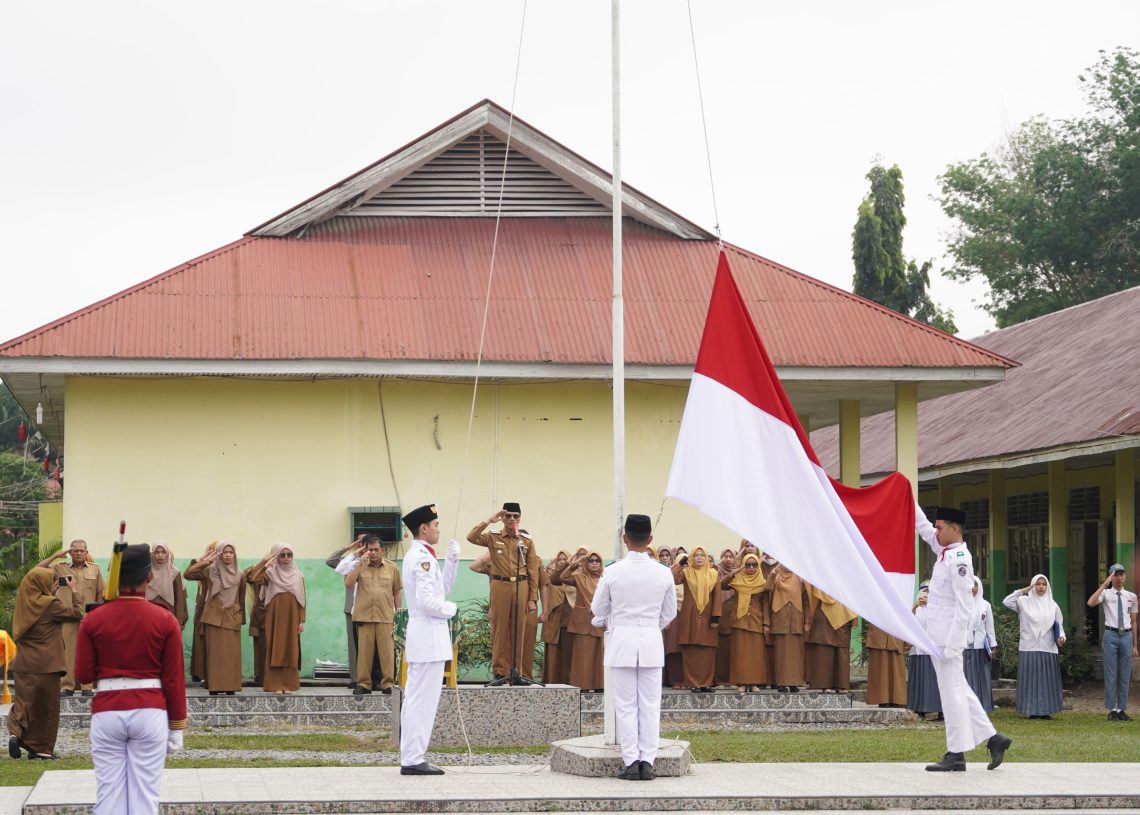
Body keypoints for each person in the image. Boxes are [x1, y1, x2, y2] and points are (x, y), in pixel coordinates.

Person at [75, 544, 187, 815]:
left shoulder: (92, 620)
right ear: (148, 577)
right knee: (144, 797)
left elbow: (84, 675)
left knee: (109, 795)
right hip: (150, 712)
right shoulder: (165, 620)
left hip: (108, 711)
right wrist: (177, 726)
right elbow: (173, 679)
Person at [916, 504, 1010, 771]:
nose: (935, 531)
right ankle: (994, 738)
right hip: (939, 636)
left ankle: (956, 754)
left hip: (948, 640)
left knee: (952, 695)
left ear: (954, 529)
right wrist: (906, 497)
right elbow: (923, 529)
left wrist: (954, 645)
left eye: (940, 527)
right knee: (959, 689)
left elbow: (964, 605)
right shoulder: (945, 552)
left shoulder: (959, 559)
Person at [589, 514, 677, 781]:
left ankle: (631, 762)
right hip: (650, 640)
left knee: (626, 706)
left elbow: (597, 609)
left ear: (624, 539)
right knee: (650, 705)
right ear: (650, 540)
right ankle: (647, 761)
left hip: (622, 642)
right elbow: (669, 613)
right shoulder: (663, 573)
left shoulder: (612, 571)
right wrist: (650, 627)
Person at [399, 503, 461, 775]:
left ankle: (413, 756)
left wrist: (452, 561)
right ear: (423, 528)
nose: (438, 529)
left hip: (427, 636)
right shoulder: (421, 558)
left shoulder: (425, 555)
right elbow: (428, 601)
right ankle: (412, 758)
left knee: (421, 700)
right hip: (426, 635)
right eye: (435, 525)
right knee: (420, 701)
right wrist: (451, 609)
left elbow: (442, 589)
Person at [7, 567, 82, 760]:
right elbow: (76, 613)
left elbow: (40, 608)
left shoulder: (23, 604)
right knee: (47, 707)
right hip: (47, 665)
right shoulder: (51, 605)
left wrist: (51, 593)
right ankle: (41, 749)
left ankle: (15, 733)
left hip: (23, 663)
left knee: (24, 703)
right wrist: (73, 591)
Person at [467, 503, 540, 683]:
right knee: (500, 630)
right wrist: (489, 520)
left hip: (521, 586)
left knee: (519, 630)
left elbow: (533, 571)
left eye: (515, 516)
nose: (512, 519)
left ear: (520, 518)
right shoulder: (493, 537)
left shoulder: (526, 540)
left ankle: (516, 673)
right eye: (508, 516)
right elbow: (471, 537)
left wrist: (532, 599)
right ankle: (499, 672)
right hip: (500, 585)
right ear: (503, 518)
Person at [38, 539, 104, 696]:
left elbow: (100, 592)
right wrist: (56, 556)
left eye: (82, 550)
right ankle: (67, 686)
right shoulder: (60, 568)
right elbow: (38, 570)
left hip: (89, 618)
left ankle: (87, 687)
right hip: (68, 616)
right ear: (70, 552)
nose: (79, 553)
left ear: (86, 552)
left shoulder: (95, 570)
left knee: (88, 652)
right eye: (75, 550)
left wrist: (99, 614)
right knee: (68, 653)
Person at [338, 536, 403, 695]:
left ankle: (387, 684)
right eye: (369, 550)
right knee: (364, 653)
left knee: (387, 652)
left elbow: (396, 591)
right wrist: (359, 564)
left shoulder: (392, 568)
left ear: (382, 550)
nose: (372, 553)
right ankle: (364, 684)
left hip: (385, 616)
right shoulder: (359, 565)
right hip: (364, 616)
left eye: (375, 550)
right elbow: (348, 584)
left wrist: (398, 613)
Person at [183, 542, 246, 695]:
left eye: (231, 552)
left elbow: (241, 598)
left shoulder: (240, 574)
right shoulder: (210, 571)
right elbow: (188, 574)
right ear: (219, 554)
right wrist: (204, 560)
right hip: (213, 618)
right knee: (215, 655)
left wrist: (241, 618)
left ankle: (231, 686)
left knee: (231, 655)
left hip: (232, 617)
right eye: (225, 552)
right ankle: (215, 686)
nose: (228, 555)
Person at [1003, 574, 1065, 719]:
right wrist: (1023, 590)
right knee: (1031, 681)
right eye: (1037, 584)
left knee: (1046, 681)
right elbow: (1006, 601)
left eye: (1044, 584)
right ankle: (1031, 710)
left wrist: (1061, 637)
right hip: (1029, 646)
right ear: (1033, 585)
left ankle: (1046, 711)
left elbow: (1059, 626)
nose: (1041, 587)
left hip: (1048, 647)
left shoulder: (1053, 605)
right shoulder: (1024, 601)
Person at [247, 543, 306, 694]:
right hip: (274, 616)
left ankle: (289, 685)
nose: (286, 558)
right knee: (274, 647)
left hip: (292, 616)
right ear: (277, 556)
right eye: (282, 555)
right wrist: (264, 561)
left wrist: (301, 621)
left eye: (289, 555)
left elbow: (302, 600)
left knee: (290, 648)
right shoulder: (270, 573)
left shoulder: (298, 575)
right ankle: (275, 685)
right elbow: (253, 577)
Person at [1086, 563, 1138, 721]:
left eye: (1122, 574)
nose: (1119, 577)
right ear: (1111, 576)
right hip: (1111, 635)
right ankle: (1112, 709)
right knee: (1111, 673)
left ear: (1125, 576)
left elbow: (1134, 621)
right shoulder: (1106, 594)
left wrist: (1135, 645)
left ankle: (1122, 709)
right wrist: (1104, 584)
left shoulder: (1131, 596)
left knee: (1124, 674)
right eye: (1116, 574)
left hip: (1127, 636)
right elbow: (1091, 602)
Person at [552, 550, 606, 691]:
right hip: (583, 621)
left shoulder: (605, 578)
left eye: (597, 561)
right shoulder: (580, 577)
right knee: (582, 655)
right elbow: (561, 578)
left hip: (600, 620)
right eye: (591, 561)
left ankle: (599, 685)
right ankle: (583, 685)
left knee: (599, 654)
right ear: (586, 563)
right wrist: (572, 564)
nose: (594, 563)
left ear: (601, 563)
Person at [670, 546, 721, 692]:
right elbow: (672, 578)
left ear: (706, 558)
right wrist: (682, 562)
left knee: (707, 651)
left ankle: (706, 683)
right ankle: (693, 684)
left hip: (708, 617)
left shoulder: (713, 574)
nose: (699, 558)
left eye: (702, 555)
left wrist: (716, 616)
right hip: (690, 616)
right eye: (696, 555)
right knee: (691, 650)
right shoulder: (686, 573)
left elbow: (717, 596)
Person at [327, 534, 372, 689]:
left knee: (370, 644)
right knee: (354, 645)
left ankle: (371, 677)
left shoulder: (372, 561)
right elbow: (331, 561)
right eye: (361, 542)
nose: (363, 545)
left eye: (365, 542)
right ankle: (355, 678)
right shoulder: (349, 562)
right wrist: (349, 547)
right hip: (351, 608)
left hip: (369, 608)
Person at [722, 552, 768, 691]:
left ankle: (754, 683)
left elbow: (766, 603)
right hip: (739, 621)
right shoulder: (738, 580)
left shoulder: (762, 582)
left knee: (755, 655)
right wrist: (734, 572)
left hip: (755, 621)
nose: (752, 568)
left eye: (754, 565)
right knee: (740, 654)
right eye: (748, 565)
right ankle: (741, 683)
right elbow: (722, 585)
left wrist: (766, 623)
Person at [804, 585, 856, 693]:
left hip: (843, 612)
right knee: (823, 650)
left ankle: (841, 685)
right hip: (824, 613)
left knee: (841, 650)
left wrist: (854, 620)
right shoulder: (822, 577)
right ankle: (824, 685)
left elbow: (853, 594)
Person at [765, 563, 808, 692]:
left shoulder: (800, 579)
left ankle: (794, 683)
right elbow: (767, 588)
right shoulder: (776, 578)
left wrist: (807, 621)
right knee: (781, 654)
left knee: (796, 653)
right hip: (780, 620)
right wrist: (773, 573)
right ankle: (781, 683)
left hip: (796, 620)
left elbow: (806, 601)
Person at [907, 582, 942, 719]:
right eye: (923, 591)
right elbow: (908, 622)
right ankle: (920, 708)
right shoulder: (917, 609)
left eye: (928, 592)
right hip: (918, 650)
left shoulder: (938, 608)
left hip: (933, 650)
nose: (925, 595)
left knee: (936, 681)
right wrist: (915, 606)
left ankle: (940, 710)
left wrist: (932, 605)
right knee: (919, 681)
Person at [185, 541, 217, 685]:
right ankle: (200, 672)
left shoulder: (228, 569)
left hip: (218, 611)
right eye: (213, 551)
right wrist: (201, 560)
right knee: (201, 639)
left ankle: (213, 674)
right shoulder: (205, 569)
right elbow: (189, 574)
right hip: (203, 608)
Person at [964, 577, 997, 713]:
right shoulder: (960, 604)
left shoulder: (985, 605)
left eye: (975, 585)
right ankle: (965, 708)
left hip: (980, 647)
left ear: (979, 587)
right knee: (966, 677)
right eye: (970, 585)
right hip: (964, 647)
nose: (972, 588)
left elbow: (989, 627)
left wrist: (993, 645)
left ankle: (982, 707)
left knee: (981, 677)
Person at [539, 551, 570, 684]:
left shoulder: (572, 578)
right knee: (553, 653)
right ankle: (551, 681)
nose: (562, 561)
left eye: (565, 559)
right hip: (553, 621)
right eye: (559, 559)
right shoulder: (549, 579)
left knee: (566, 653)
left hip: (567, 621)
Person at [657, 548, 684, 688]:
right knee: (663, 648)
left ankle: (676, 680)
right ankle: (663, 680)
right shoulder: (660, 574)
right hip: (662, 616)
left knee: (675, 648)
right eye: (662, 555)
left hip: (679, 615)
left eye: (668, 555)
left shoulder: (684, 576)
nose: (665, 557)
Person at [864, 621, 907, 708]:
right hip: (879, 629)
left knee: (895, 667)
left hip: (895, 631)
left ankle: (896, 699)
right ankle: (882, 699)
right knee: (880, 667)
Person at [145, 543, 188, 628]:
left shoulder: (175, 572)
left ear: (167, 553)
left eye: (163, 552)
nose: (160, 555)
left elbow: (179, 598)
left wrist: (179, 621)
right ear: (152, 554)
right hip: (149, 616)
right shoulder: (146, 572)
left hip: (168, 615)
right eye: (157, 552)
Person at [714, 548, 737, 687]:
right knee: (721, 650)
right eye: (725, 556)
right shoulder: (716, 572)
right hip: (720, 615)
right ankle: (720, 679)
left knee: (733, 649)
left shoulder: (739, 572)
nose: (728, 559)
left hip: (734, 614)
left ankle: (732, 679)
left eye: (731, 556)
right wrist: (717, 564)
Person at [242, 562, 267, 687]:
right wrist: (260, 564)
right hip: (258, 614)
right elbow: (246, 575)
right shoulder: (259, 575)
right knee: (259, 648)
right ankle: (260, 676)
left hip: (274, 616)